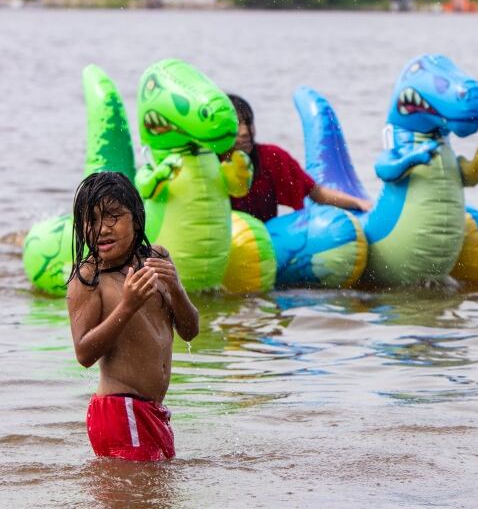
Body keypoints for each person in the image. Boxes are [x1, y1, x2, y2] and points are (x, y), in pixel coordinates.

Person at [66, 172, 199, 461]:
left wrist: (176, 288)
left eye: (113, 216)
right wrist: (127, 306)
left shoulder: (157, 258)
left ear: (137, 219)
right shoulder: (89, 278)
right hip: (119, 409)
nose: (101, 229)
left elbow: (190, 331)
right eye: (91, 220)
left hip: (151, 411)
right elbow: (84, 354)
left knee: (155, 499)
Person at [221, 94, 372, 222]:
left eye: (248, 123)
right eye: (237, 124)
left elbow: (316, 193)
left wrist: (358, 203)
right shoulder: (209, 164)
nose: (245, 132)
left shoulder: (270, 157)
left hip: (264, 246)